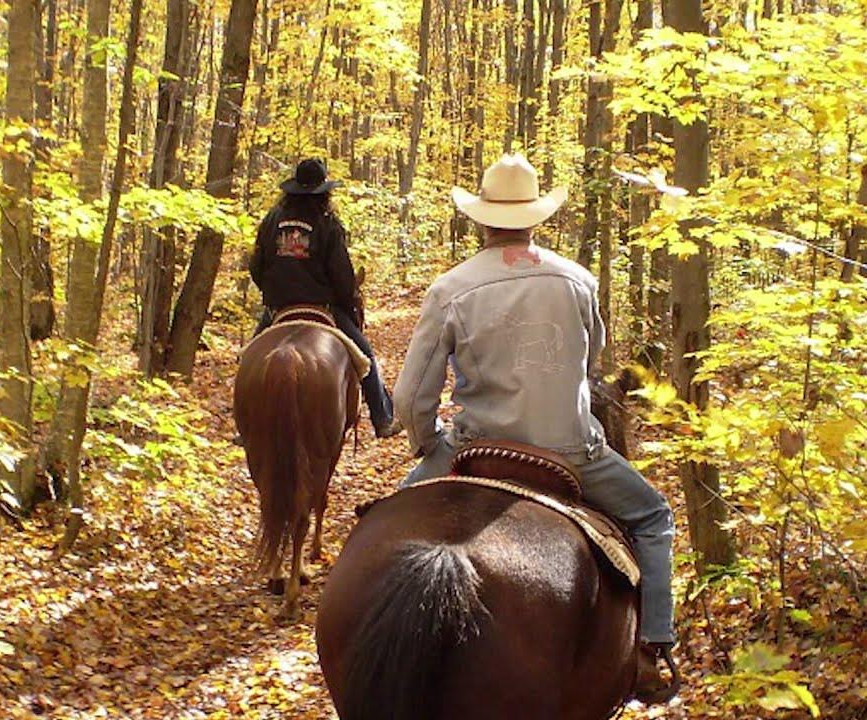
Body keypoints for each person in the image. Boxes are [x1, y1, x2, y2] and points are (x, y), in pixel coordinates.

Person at [392, 154, 677, 700]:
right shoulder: (578, 281)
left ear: (481, 219)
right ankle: (652, 648)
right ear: (535, 218)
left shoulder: (452, 287)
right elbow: (589, 364)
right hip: (569, 451)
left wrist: (429, 444)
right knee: (653, 517)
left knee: (384, 519)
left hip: (476, 445)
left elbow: (410, 397)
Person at [248, 158, 403, 439]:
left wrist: (273, 295)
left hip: (278, 310)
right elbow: (342, 276)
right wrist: (347, 300)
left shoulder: (271, 220)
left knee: (248, 360)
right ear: (323, 192)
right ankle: (382, 418)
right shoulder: (328, 223)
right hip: (323, 307)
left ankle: (244, 424)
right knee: (365, 356)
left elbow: (256, 268)